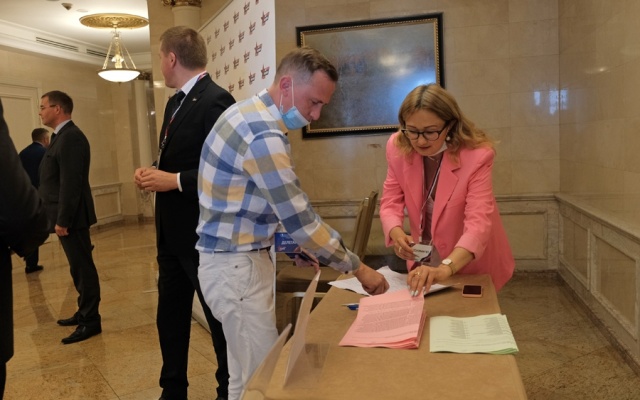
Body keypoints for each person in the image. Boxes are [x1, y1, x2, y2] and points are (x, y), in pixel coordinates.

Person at [196, 46, 389, 400]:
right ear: (286, 85)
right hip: (236, 270)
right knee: (266, 382)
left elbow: (256, 203)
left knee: (242, 380)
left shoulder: (245, 115)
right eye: (313, 102)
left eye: (322, 106)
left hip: (230, 265)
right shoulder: (262, 133)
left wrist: (293, 243)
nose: (315, 115)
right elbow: (300, 219)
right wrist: (358, 268)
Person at [134, 26, 235, 400]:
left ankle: (227, 390)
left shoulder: (216, 100)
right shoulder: (173, 103)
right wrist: (153, 172)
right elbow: (176, 158)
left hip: (202, 235)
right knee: (170, 318)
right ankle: (172, 389)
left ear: (171, 58)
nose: (161, 64)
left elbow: (228, 171)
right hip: (170, 235)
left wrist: (173, 180)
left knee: (217, 320)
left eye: (161, 57)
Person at [380, 84, 515, 296]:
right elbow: (390, 202)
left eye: (430, 132)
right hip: (426, 259)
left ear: (450, 125)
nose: (420, 141)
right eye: (412, 131)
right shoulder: (398, 146)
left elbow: (478, 223)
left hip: (468, 259)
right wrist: (397, 235)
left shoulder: (477, 155)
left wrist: (446, 268)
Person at [38, 90, 102, 344]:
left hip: (72, 217)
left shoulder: (71, 137)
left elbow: (71, 183)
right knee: (78, 268)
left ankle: (90, 320)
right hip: (66, 216)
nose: (40, 112)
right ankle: (83, 311)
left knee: (83, 268)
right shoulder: (61, 137)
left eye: (43, 107)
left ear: (57, 109)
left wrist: (63, 219)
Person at [0, 99, 49, 396]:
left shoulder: (25, 152)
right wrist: (36, 232)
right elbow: (16, 200)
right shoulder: (43, 153)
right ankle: (31, 258)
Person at [19, 127, 50, 273]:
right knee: (58, 223)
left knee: (31, 230)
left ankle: (30, 263)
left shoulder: (23, 153)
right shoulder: (45, 153)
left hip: (25, 197)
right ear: (45, 139)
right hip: (43, 196)